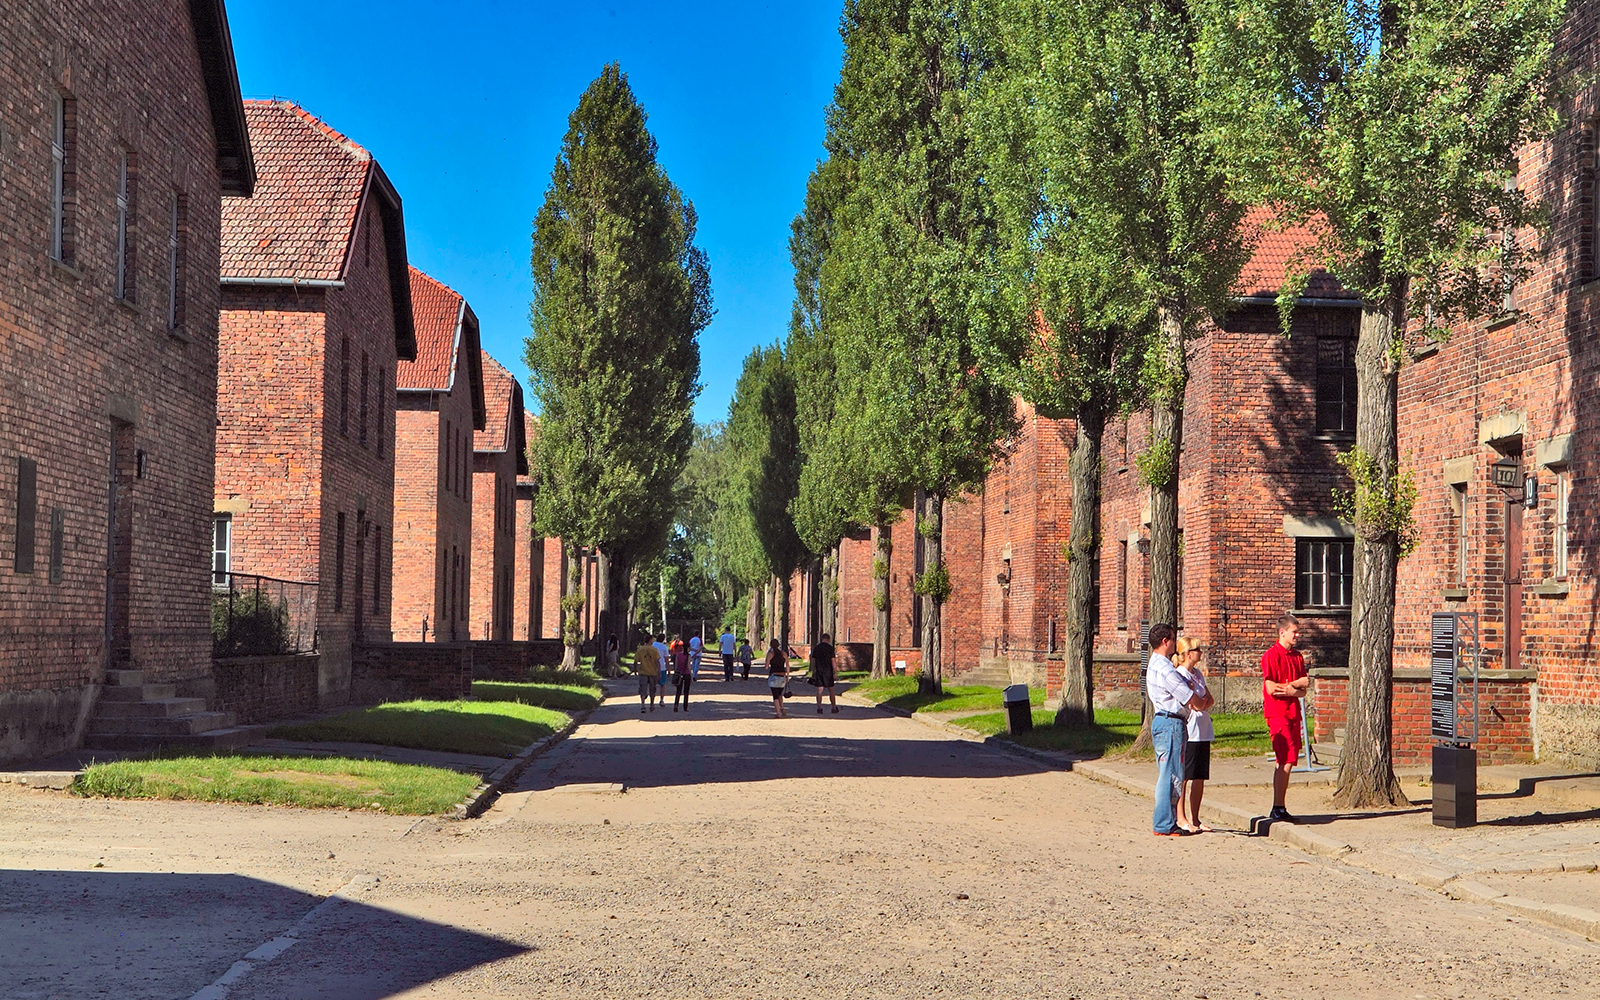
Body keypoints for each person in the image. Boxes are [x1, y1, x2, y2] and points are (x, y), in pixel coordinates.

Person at [1146, 622, 1213, 837]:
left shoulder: (1154, 664)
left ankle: (1167, 821)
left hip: (1165, 721)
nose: (1175, 643)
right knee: (1171, 774)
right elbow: (1187, 695)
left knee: (1171, 773)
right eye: (1173, 639)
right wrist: (1199, 701)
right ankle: (1165, 823)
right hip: (1170, 723)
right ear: (1165, 641)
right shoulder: (1165, 669)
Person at [1262, 613, 1309, 822]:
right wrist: (1292, 686)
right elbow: (1271, 688)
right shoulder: (1271, 656)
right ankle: (1277, 806)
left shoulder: (1297, 657)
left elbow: (1304, 687)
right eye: (1294, 632)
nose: (1297, 635)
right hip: (1277, 713)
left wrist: (1293, 688)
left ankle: (1279, 804)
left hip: (1293, 712)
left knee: (1289, 759)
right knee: (1286, 758)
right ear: (1282, 632)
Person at [1174, 637, 1214, 834]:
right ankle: (1181, 817)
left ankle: (1196, 818)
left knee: (1199, 776)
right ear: (1189, 654)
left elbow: (1208, 699)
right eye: (1198, 649)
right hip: (1190, 730)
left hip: (1203, 729)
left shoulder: (1197, 674)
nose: (1201, 652)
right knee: (1185, 776)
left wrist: (1201, 701)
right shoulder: (1180, 675)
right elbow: (1196, 703)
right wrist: (1200, 701)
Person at [809, 632, 839, 715]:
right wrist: (835, 672)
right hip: (828, 671)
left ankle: (819, 708)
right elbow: (833, 660)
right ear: (828, 640)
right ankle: (833, 707)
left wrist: (814, 671)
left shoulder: (817, 648)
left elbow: (814, 660)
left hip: (819, 671)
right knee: (831, 689)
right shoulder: (830, 648)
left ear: (822, 639)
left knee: (819, 690)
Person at [634, 635, 661, 713]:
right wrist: (659, 672)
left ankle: (643, 706)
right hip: (653, 672)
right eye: (652, 640)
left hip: (643, 672)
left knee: (643, 689)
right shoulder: (654, 650)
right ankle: (652, 705)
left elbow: (636, 661)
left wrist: (635, 670)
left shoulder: (640, 649)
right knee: (652, 689)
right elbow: (657, 662)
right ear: (650, 640)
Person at [765, 639, 790, 718]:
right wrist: (787, 676)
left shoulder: (770, 654)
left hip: (774, 676)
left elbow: (766, 667)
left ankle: (778, 713)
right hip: (782, 676)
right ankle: (782, 707)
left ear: (771, 645)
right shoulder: (784, 653)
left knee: (775, 695)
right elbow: (788, 665)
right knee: (780, 694)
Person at [672, 638, 693, 712]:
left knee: (678, 691)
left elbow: (676, 665)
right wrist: (691, 675)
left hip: (679, 673)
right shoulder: (688, 656)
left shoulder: (678, 655)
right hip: (686, 674)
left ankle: (676, 705)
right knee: (686, 691)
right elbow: (688, 666)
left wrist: (675, 672)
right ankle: (685, 707)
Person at [652, 634, 671, 709]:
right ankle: (661, 700)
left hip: (652, 667)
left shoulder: (652, 645)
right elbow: (666, 659)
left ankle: (652, 700)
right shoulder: (664, 647)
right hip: (662, 667)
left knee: (652, 685)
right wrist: (668, 669)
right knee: (662, 685)